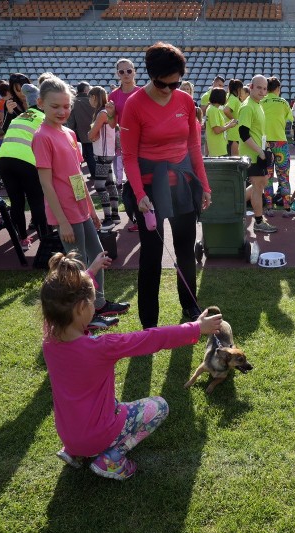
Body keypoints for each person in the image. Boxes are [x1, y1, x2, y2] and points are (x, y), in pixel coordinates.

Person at [41, 251, 223, 480]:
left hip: (68, 435)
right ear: (80, 308)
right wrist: (196, 328)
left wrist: (91, 271)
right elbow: (152, 338)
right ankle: (112, 457)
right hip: (97, 435)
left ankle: (74, 452)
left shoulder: (49, 338)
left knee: (107, 405)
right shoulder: (101, 347)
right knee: (159, 406)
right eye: (92, 302)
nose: (95, 306)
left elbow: (62, 301)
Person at [121, 42, 212, 328]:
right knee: (151, 256)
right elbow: (129, 156)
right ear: (150, 75)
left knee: (185, 250)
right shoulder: (134, 105)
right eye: (164, 84)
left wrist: (205, 186)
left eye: (177, 83)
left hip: (182, 184)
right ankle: (149, 321)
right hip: (149, 188)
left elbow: (194, 147)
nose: (170, 89)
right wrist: (139, 194)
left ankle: (190, 307)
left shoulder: (185, 101)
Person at [34, 76, 129, 330]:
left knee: (97, 257)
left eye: (66, 106)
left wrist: (90, 207)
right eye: (55, 107)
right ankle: (85, 315)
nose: (62, 111)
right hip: (65, 215)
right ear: (41, 103)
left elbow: (77, 176)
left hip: (81, 210)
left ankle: (98, 304)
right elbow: (47, 184)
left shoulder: (68, 133)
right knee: (79, 267)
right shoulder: (42, 136)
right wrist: (62, 221)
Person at [0, 83, 48, 249]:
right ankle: (45, 239)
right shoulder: (44, 118)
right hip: (26, 160)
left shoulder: (19, 117)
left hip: (4, 159)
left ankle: (23, 239)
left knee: (16, 201)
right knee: (36, 200)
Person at [238, 75, 277, 234]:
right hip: (252, 155)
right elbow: (243, 133)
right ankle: (259, 222)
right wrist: (260, 152)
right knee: (258, 186)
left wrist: (266, 149)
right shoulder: (248, 106)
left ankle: (235, 202)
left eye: (265, 88)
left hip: (258, 153)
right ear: (251, 87)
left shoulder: (258, 104)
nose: (262, 91)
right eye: (259, 87)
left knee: (260, 184)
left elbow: (258, 132)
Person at [108, 58, 142, 231]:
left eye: (129, 71)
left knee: (144, 178)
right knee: (132, 179)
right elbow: (112, 124)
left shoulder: (142, 93)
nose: (126, 74)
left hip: (144, 141)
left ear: (134, 71)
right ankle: (136, 216)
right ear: (117, 74)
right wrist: (111, 113)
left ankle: (145, 215)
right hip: (126, 142)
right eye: (122, 72)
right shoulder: (113, 95)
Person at [261, 76, 294, 217]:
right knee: (284, 177)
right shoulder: (283, 102)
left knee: (267, 177)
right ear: (278, 89)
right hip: (281, 142)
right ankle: (287, 208)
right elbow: (289, 118)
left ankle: (269, 208)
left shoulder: (260, 102)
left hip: (265, 143)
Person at [87, 86, 120, 228]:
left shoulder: (102, 113)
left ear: (94, 97)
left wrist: (91, 134)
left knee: (99, 185)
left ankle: (108, 218)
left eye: (90, 97)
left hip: (103, 153)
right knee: (110, 184)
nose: (89, 100)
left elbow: (91, 134)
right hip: (107, 152)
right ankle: (115, 215)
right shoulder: (106, 112)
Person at [67, 82, 96, 187]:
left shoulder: (74, 102)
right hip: (95, 131)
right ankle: (98, 176)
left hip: (81, 134)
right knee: (94, 155)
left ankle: (90, 176)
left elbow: (71, 120)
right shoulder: (92, 100)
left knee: (86, 156)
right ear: (85, 90)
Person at [204, 87, 236, 158]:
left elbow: (218, 126)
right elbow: (217, 130)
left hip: (218, 147)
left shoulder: (213, 109)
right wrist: (229, 126)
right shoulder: (213, 110)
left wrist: (228, 124)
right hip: (218, 148)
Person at [223, 79, 244, 157]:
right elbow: (226, 110)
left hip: (234, 133)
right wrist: (235, 120)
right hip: (234, 134)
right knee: (234, 159)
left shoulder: (230, 97)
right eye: (242, 89)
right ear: (239, 89)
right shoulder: (233, 99)